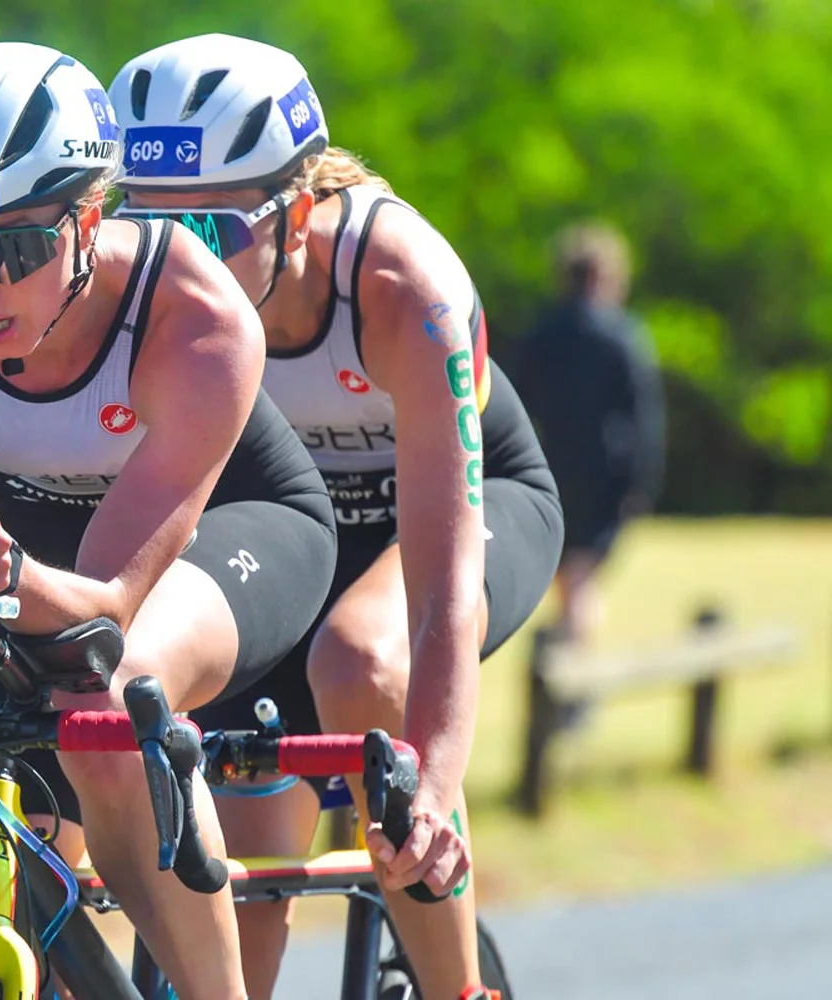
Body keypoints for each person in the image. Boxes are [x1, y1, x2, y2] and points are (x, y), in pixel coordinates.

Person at [0, 41, 340, 1000]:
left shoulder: (196, 315)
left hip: (231, 527)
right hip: (20, 551)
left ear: (90, 217)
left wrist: (3, 578)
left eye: (10, 247)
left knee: (109, 698)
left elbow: (110, 600)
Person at [108, 34, 564, 1000]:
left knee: (361, 661)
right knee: (236, 858)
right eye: (149, 226)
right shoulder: (140, 294)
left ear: (302, 211)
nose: (179, 260)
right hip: (283, 532)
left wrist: (432, 783)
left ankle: (455, 989)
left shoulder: (405, 288)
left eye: (214, 230)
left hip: (449, 515)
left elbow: (443, 591)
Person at [512, 222, 665, 646]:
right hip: (604, 477)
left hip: (551, 467)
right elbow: (644, 421)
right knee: (581, 580)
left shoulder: (542, 334)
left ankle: (567, 669)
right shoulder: (623, 336)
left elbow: (516, 406)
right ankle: (575, 679)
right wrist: (641, 485)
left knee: (571, 576)